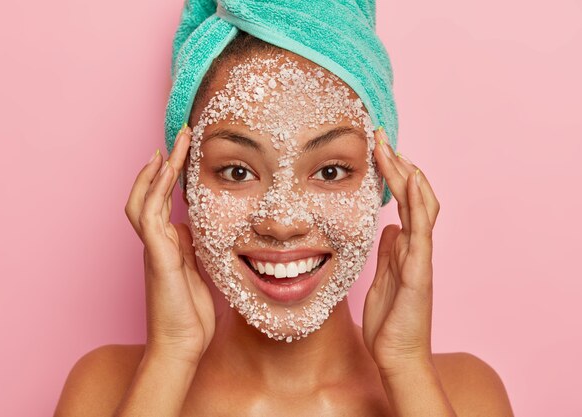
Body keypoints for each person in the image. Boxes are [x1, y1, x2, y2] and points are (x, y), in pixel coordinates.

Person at [54, 32, 514, 417]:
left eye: (330, 171)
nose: (283, 221)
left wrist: (407, 367)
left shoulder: (465, 394)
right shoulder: (105, 389)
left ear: (381, 183)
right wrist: (171, 355)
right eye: (237, 171)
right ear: (185, 185)